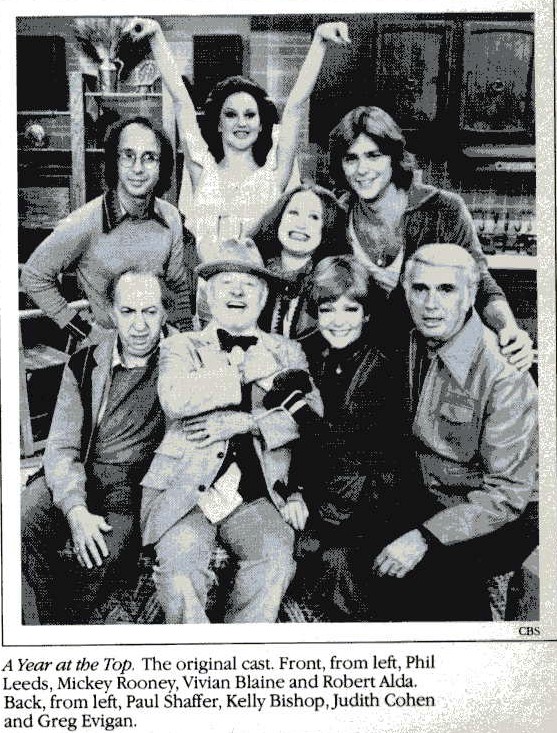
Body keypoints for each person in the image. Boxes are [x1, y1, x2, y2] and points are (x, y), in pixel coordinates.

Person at [140, 239, 323, 623]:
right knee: (179, 573)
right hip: (185, 491)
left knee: (274, 560)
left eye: (249, 285)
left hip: (256, 493)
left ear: (264, 296)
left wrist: (249, 422)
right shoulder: (180, 346)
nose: (237, 292)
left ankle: (240, 648)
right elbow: (175, 398)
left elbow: (312, 416)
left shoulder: (287, 351)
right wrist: (241, 371)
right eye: (226, 283)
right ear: (208, 294)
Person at [369, 244, 538, 621]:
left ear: (470, 295)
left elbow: (506, 495)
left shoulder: (503, 373)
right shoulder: (412, 340)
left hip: (505, 510)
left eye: (446, 289)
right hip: (437, 491)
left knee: (433, 580)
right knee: (365, 556)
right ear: (407, 293)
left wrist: (426, 537)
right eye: (420, 289)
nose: (431, 304)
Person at [126, 17, 350, 262]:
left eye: (250, 115)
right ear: (219, 124)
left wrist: (319, 40)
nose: (241, 123)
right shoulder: (202, 172)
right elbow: (181, 102)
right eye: (231, 115)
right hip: (208, 284)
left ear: (261, 124)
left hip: (258, 283)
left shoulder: (273, 176)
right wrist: (156, 35)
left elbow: (295, 106)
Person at [328, 106, 533, 371]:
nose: (362, 169)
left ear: (393, 157)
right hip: (365, 364)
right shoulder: (337, 216)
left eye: (373, 155)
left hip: (435, 361)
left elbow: (480, 283)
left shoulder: (443, 209)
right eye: (351, 158)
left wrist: (509, 329)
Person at [21, 270, 168, 624]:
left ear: (165, 313)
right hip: (82, 468)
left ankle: (70, 626)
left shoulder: (183, 362)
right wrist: (75, 509)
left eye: (150, 312)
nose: (139, 326)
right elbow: (61, 446)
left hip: (131, 484)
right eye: (128, 311)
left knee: (101, 554)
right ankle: (40, 632)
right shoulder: (85, 362)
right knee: (21, 521)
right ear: (112, 312)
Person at [293, 256, 423, 620]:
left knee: (338, 566)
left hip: (372, 496)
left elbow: (352, 447)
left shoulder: (384, 363)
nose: (338, 320)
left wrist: (297, 409)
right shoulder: (308, 351)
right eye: (327, 309)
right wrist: (294, 490)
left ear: (367, 314)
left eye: (351, 309)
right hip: (324, 486)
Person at [21, 117, 193, 341]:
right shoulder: (84, 221)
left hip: (158, 343)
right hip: (108, 349)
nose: (138, 168)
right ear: (114, 161)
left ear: (163, 166)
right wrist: (84, 332)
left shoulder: (171, 216)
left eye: (149, 157)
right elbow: (34, 276)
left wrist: (187, 339)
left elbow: (178, 286)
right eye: (128, 156)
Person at [251, 182, 350, 340]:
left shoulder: (335, 284)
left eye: (314, 217)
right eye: (293, 213)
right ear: (278, 218)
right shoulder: (252, 273)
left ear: (327, 228)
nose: (301, 224)